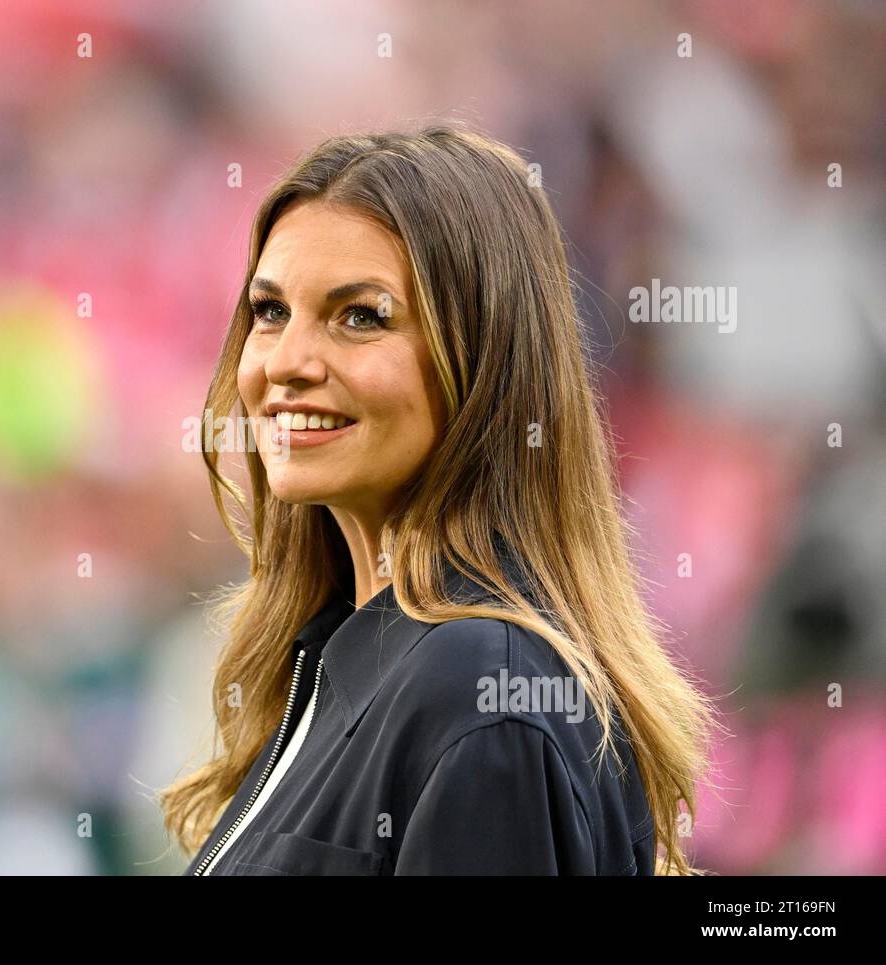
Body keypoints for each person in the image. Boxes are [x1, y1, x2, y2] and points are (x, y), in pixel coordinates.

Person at [160, 122, 719, 875]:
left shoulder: (483, 693)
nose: (286, 362)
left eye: (361, 316)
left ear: (485, 361)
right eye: (270, 311)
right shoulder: (345, 656)